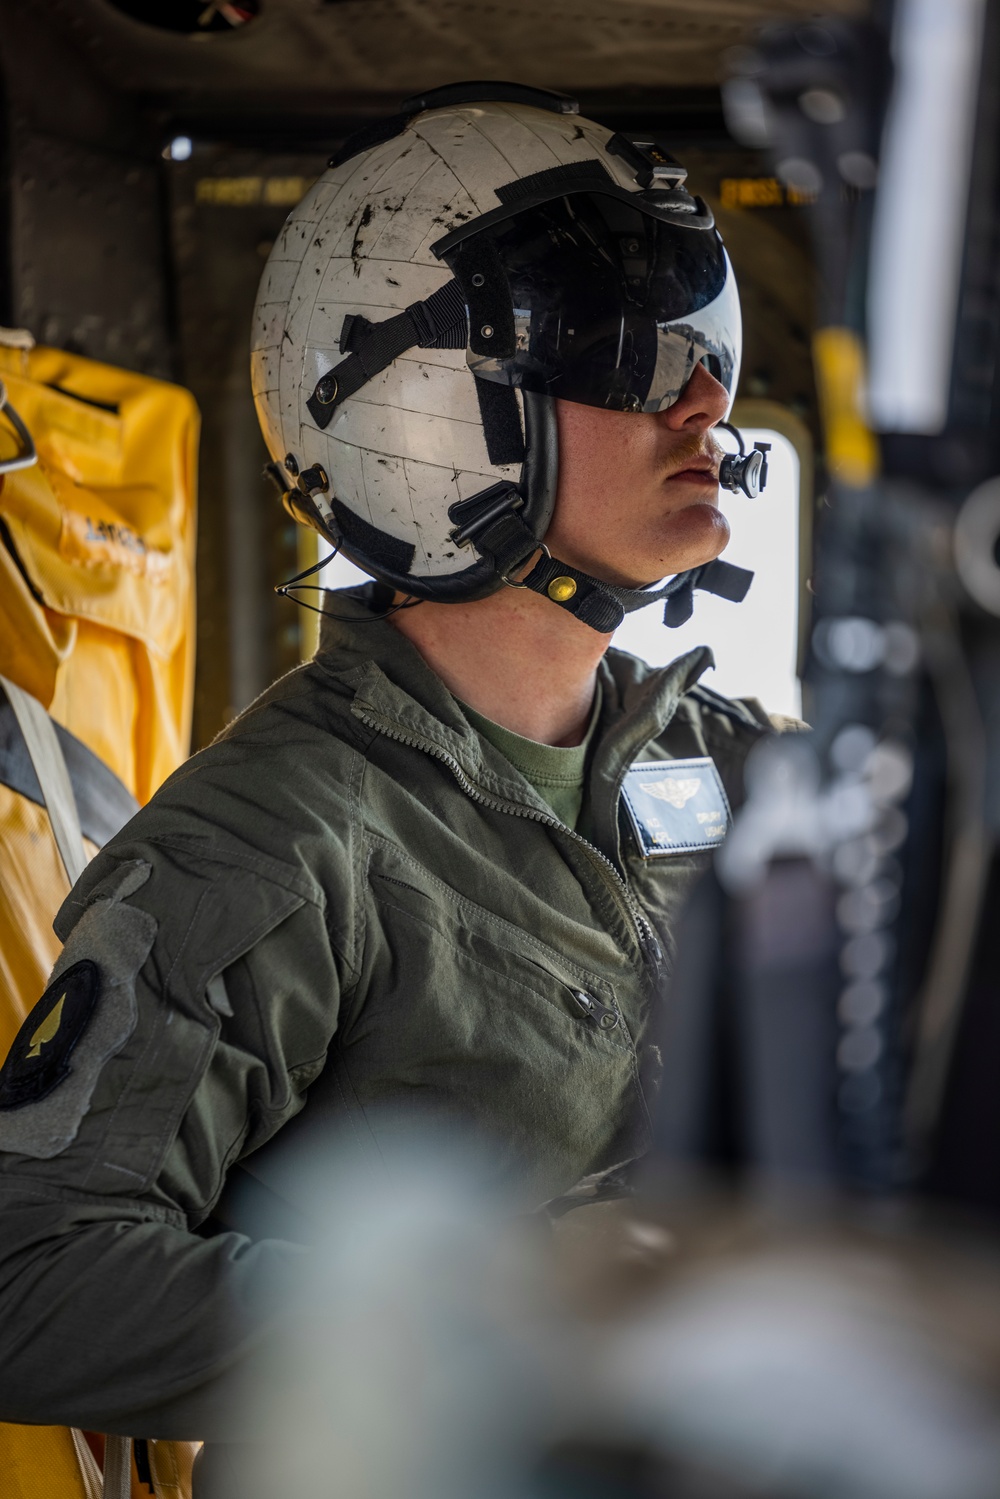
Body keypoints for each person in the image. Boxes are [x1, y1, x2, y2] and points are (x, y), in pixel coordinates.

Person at [0, 85, 779, 1452]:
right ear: (426, 409)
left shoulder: (743, 771)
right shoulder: (276, 842)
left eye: (700, 345)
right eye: (626, 356)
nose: (708, 399)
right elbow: (32, 1286)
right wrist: (528, 1321)